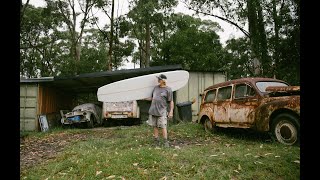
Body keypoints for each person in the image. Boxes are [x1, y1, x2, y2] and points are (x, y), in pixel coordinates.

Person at [146, 74, 174, 148]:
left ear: (163, 81)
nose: (158, 80)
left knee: (163, 126)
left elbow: (171, 101)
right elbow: (152, 98)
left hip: (162, 111)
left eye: (159, 79)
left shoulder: (168, 89)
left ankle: (165, 142)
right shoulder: (155, 88)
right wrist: (143, 98)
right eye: (158, 79)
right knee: (155, 126)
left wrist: (171, 111)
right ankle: (156, 141)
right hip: (153, 110)